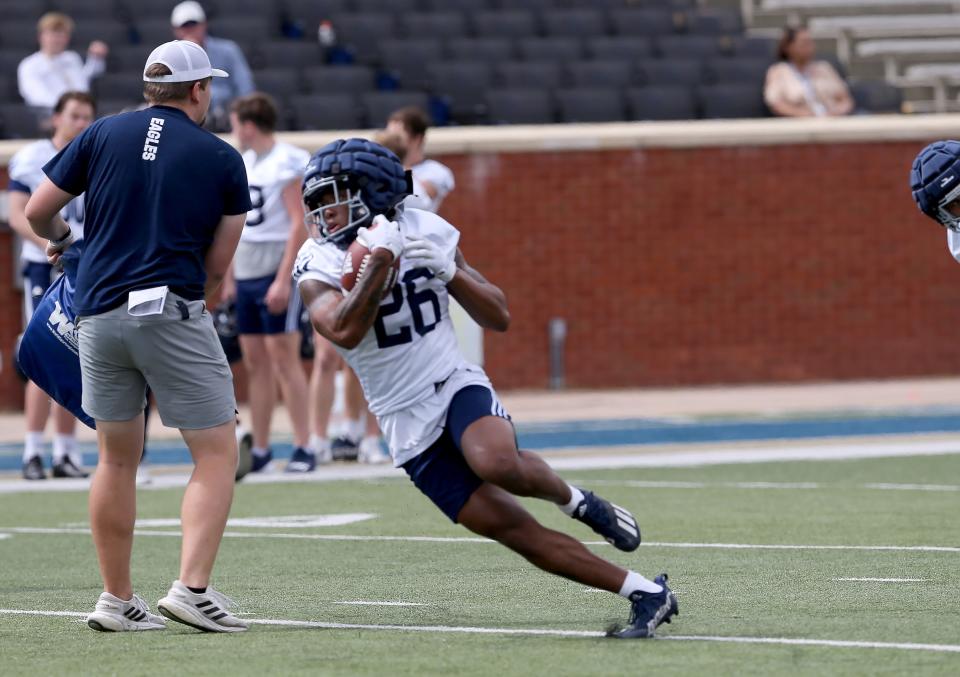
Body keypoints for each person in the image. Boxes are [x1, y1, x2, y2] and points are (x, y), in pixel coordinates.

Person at [293, 138, 678, 639]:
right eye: (319, 201)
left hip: (451, 379)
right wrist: (380, 265)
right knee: (513, 530)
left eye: (334, 196)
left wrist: (450, 271)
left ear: (371, 193)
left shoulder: (425, 229)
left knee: (496, 461)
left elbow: (498, 315)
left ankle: (577, 501)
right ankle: (645, 593)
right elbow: (341, 328)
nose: (323, 212)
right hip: (402, 418)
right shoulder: (315, 261)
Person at [24, 39, 250, 634]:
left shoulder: (101, 132)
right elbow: (219, 267)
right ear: (199, 90)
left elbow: (37, 212)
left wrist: (66, 240)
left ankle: (116, 599)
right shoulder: (222, 157)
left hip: (97, 311)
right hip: (168, 307)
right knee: (217, 451)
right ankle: (192, 588)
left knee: (115, 459)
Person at [7, 91, 95, 481]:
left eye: (86, 116)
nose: (80, 123)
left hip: (81, 270)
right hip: (45, 267)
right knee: (43, 348)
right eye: (74, 115)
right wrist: (50, 243)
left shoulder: (94, 155)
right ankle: (32, 450)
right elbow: (15, 214)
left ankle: (65, 451)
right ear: (56, 117)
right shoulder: (32, 156)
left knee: (75, 356)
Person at [226, 92, 316, 472]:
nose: (233, 132)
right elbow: (232, 222)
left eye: (235, 124)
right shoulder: (243, 162)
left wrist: (284, 279)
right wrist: (229, 275)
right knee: (254, 361)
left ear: (248, 125)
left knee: (285, 357)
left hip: (277, 265)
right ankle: (261, 448)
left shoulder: (288, 160)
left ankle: (303, 445)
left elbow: (300, 221)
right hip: (246, 267)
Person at [171, 1, 255, 130]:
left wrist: (239, 117)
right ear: (175, 30)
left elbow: (246, 89)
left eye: (193, 24)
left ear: (204, 24)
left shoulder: (229, 50)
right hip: (187, 121)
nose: (190, 29)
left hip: (228, 120)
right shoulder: (169, 57)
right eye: (184, 26)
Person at [17, 12, 108, 114]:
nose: (58, 40)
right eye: (53, 34)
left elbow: (83, 81)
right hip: (50, 115)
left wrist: (96, 59)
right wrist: (70, 109)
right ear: (41, 36)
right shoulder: (29, 65)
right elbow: (37, 97)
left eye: (62, 35)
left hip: (81, 112)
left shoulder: (72, 58)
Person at [764, 26, 854, 118]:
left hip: (833, 121)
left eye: (810, 42)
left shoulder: (825, 68)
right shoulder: (778, 71)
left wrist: (837, 112)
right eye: (804, 43)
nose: (809, 47)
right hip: (798, 124)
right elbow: (776, 103)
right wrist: (802, 114)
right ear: (788, 47)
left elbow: (845, 100)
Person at [385, 107, 455, 213]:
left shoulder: (437, 171)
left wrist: (397, 167)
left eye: (397, 138)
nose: (391, 142)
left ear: (417, 139)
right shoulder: (384, 168)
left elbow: (421, 201)